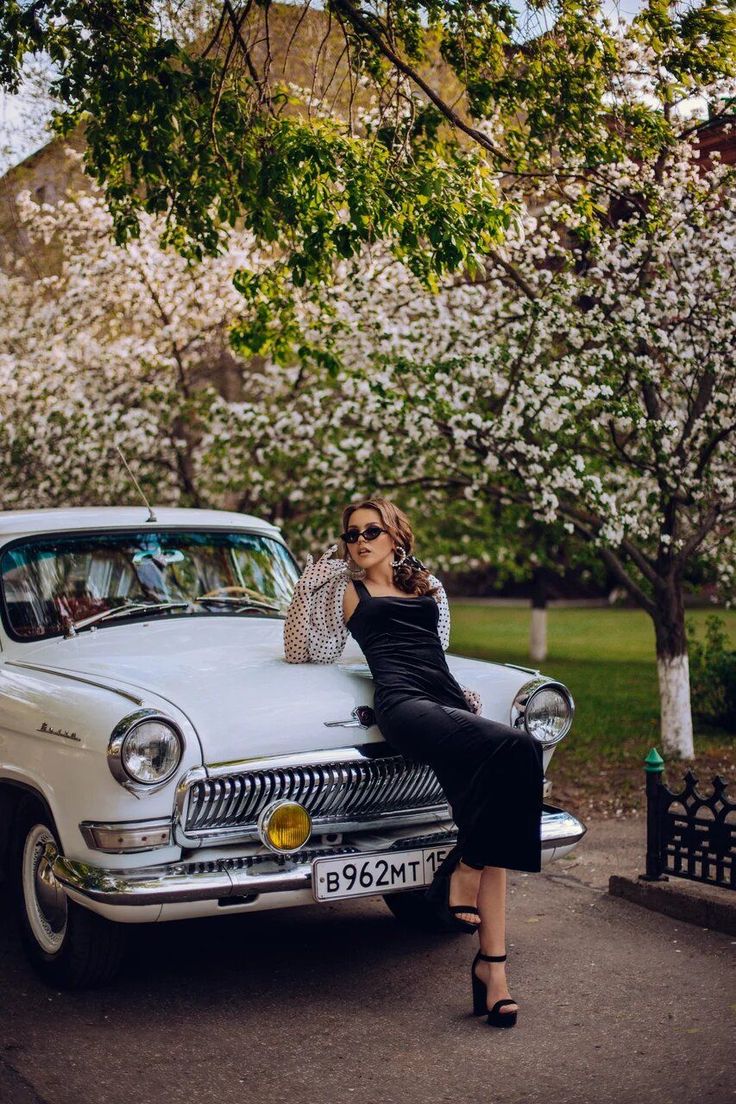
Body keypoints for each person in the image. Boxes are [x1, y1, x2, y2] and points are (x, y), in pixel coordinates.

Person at [283, 495, 545, 1028]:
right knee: (520, 749)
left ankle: (493, 972)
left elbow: (439, 648)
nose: (359, 542)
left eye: (371, 531)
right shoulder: (347, 593)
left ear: (395, 535)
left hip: (444, 697)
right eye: (351, 534)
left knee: (487, 824)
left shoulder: (426, 586)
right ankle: (462, 870)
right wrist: (310, 585)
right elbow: (307, 651)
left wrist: (462, 699)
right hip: (403, 705)